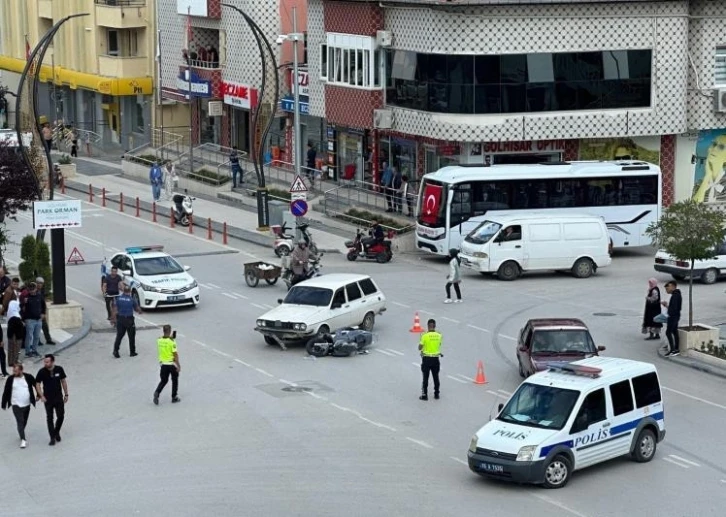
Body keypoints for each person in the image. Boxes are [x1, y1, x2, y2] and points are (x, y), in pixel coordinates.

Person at [2, 363, 38, 448]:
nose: (14, 373)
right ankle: (23, 440)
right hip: (15, 404)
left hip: (27, 404)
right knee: (20, 421)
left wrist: (39, 395)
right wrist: (3, 403)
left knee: (24, 421)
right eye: (13, 371)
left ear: (21, 370)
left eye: (16, 371)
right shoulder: (10, 379)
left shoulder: (28, 377)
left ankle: (20, 431)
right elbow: (6, 391)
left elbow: (36, 385)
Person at [35, 354, 68, 446]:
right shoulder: (41, 372)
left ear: (53, 361)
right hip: (47, 399)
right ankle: (52, 437)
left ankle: (56, 431)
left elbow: (63, 381)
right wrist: (41, 395)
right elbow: (37, 384)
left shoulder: (59, 369)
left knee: (61, 416)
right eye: (44, 361)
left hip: (58, 397)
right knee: (49, 418)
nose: (45, 363)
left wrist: (66, 394)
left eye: (47, 362)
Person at [111, 284, 142, 358]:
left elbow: (114, 310)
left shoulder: (118, 299)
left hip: (120, 319)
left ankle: (116, 350)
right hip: (129, 320)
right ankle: (132, 352)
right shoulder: (131, 299)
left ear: (123, 291)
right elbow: (137, 309)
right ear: (130, 291)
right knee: (131, 336)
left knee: (119, 336)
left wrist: (113, 319)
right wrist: (140, 311)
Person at [153, 325, 181, 405]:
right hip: (171, 364)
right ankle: (174, 397)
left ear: (163, 331)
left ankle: (157, 392)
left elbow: (165, 340)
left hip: (163, 365)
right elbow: (175, 354)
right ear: (170, 331)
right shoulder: (172, 342)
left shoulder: (159, 340)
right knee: (174, 379)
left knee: (164, 380)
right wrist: (178, 365)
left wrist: (170, 337)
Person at [418, 319, 442, 401]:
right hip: (435, 359)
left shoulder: (424, 336)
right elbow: (439, 344)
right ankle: (436, 394)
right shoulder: (439, 335)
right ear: (435, 326)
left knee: (425, 378)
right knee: (436, 377)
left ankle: (424, 395)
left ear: (428, 326)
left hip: (426, 359)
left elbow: (419, 347)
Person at [21, 282, 45, 358]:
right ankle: (28, 351)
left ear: (35, 289)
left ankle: (34, 350)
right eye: (30, 289)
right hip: (30, 320)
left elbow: (43, 305)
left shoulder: (39, 296)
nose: (32, 291)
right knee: (29, 336)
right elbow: (22, 308)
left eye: (33, 289)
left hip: (38, 319)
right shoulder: (26, 298)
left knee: (37, 336)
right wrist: (23, 319)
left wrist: (43, 313)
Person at [662, 281, 682, 357]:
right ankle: (676, 349)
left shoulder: (675, 296)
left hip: (673, 317)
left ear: (673, 287)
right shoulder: (676, 294)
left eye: (667, 288)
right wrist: (667, 306)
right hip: (676, 316)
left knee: (668, 332)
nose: (666, 290)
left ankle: (673, 350)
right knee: (674, 332)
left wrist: (667, 307)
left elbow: (673, 308)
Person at [5, 291, 23, 366]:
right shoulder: (17, 316)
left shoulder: (10, 315)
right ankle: (15, 361)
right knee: (17, 349)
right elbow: (20, 327)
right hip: (17, 336)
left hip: (10, 335)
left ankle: (10, 362)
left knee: (10, 348)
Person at [35, 277, 55, 346]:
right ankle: (38, 341)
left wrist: (44, 313)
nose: (40, 285)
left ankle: (48, 340)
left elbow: (43, 303)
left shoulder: (42, 291)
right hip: (36, 312)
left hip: (41, 312)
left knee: (45, 326)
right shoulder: (34, 291)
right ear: (36, 283)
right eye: (39, 283)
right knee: (37, 328)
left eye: (41, 284)